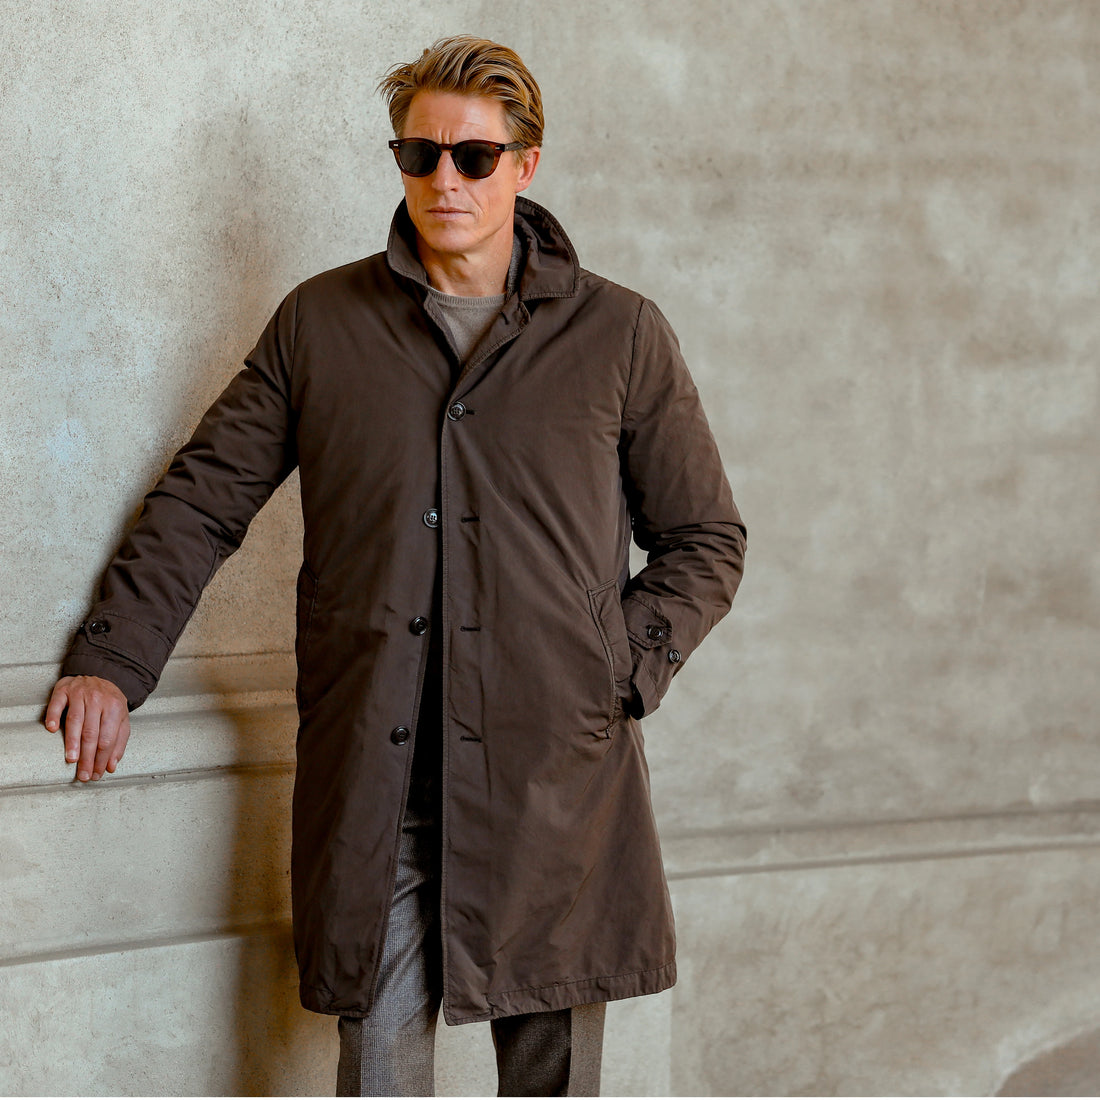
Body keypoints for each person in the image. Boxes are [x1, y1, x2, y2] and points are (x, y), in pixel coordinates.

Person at [44, 35, 747, 1098]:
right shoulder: (321, 325)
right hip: (383, 773)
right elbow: (202, 497)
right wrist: (110, 659)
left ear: (525, 163)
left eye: (472, 157)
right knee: (376, 1069)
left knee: (551, 1076)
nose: (443, 181)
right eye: (418, 155)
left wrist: (617, 667)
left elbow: (703, 537)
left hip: (548, 779)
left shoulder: (618, 335)